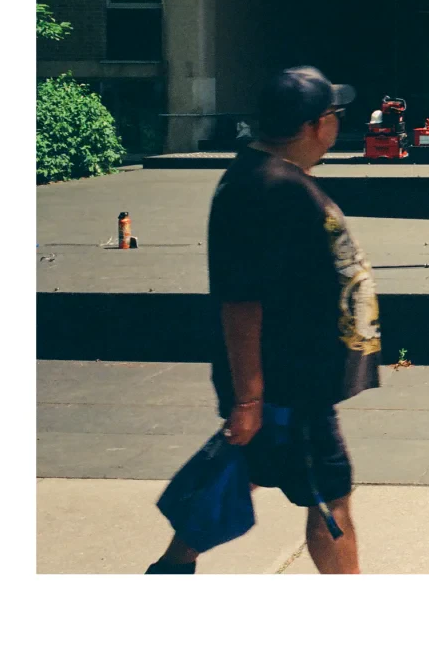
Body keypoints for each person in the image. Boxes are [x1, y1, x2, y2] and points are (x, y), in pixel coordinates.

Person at [146, 67, 379, 574]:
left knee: (244, 469)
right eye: (335, 115)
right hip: (290, 389)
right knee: (330, 496)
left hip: (283, 383)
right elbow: (241, 301)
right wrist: (249, 400)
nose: (338, 124)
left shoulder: (272, 178)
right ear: (317, 123)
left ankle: (171, 569)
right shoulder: (266, 188)